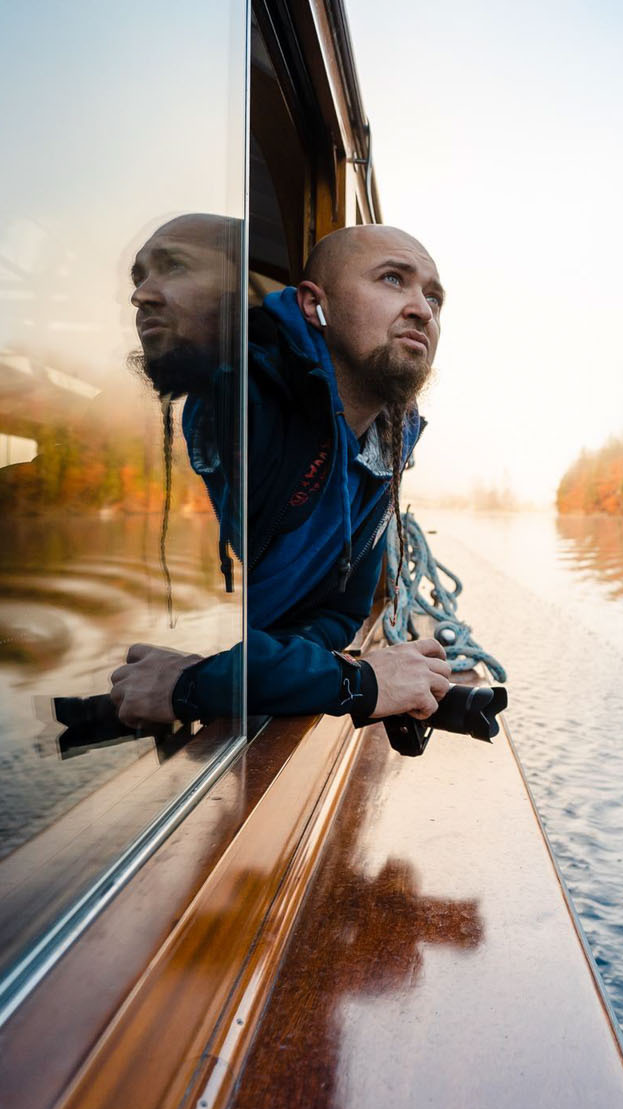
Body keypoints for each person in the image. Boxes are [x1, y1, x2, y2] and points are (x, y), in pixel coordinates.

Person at [105, 215, 455, 726]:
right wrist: (356, 682)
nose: (422, 310)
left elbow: (338, 612)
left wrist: (270, 671)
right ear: (316, 306)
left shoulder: (387, 437)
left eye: (435, 298)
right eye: (392, 279)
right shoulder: (233, 402)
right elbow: (171, 642)